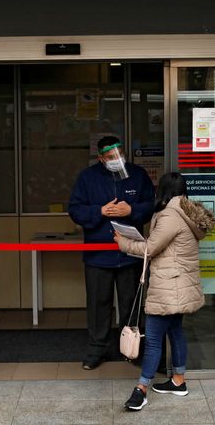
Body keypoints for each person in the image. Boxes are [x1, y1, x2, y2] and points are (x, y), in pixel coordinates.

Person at [114, 172, 215, 411]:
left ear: (164, 190)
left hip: (168, 286)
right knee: (176, 332)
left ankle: (141, 389)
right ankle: (178, 380)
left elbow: (151, 247)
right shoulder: (185, 210)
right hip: (178, 284)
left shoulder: (170, 214)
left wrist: (123, 243)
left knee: (153, 339)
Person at [69, 135, 155, 370]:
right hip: (98, 256)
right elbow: (75, 210)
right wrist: (100, 211)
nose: (116, 160)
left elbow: (152, 205)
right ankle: (97, 350)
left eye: (119, 155)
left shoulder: (137, 175)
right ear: (100, 158)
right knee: (98, 304)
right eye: (110, 157)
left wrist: (132, 209)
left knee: (131, 304)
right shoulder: (88, 178)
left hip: (131, 254)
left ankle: (132, 349)